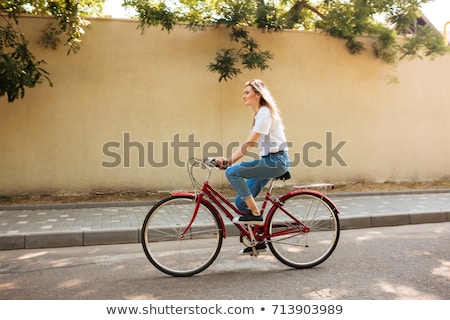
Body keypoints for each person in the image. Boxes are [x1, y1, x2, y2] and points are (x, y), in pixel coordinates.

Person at [216, 79, 290, 254]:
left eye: (247, 92)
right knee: (241, 202)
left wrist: (228, 162)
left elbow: (249, 144)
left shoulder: (264, 113)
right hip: (270, 161)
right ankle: (258, 240)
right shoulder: (260, 114)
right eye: (244, 92)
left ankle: (256, 215)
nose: (243, 96)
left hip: (275, 162)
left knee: (233, 172)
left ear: (258, 94)